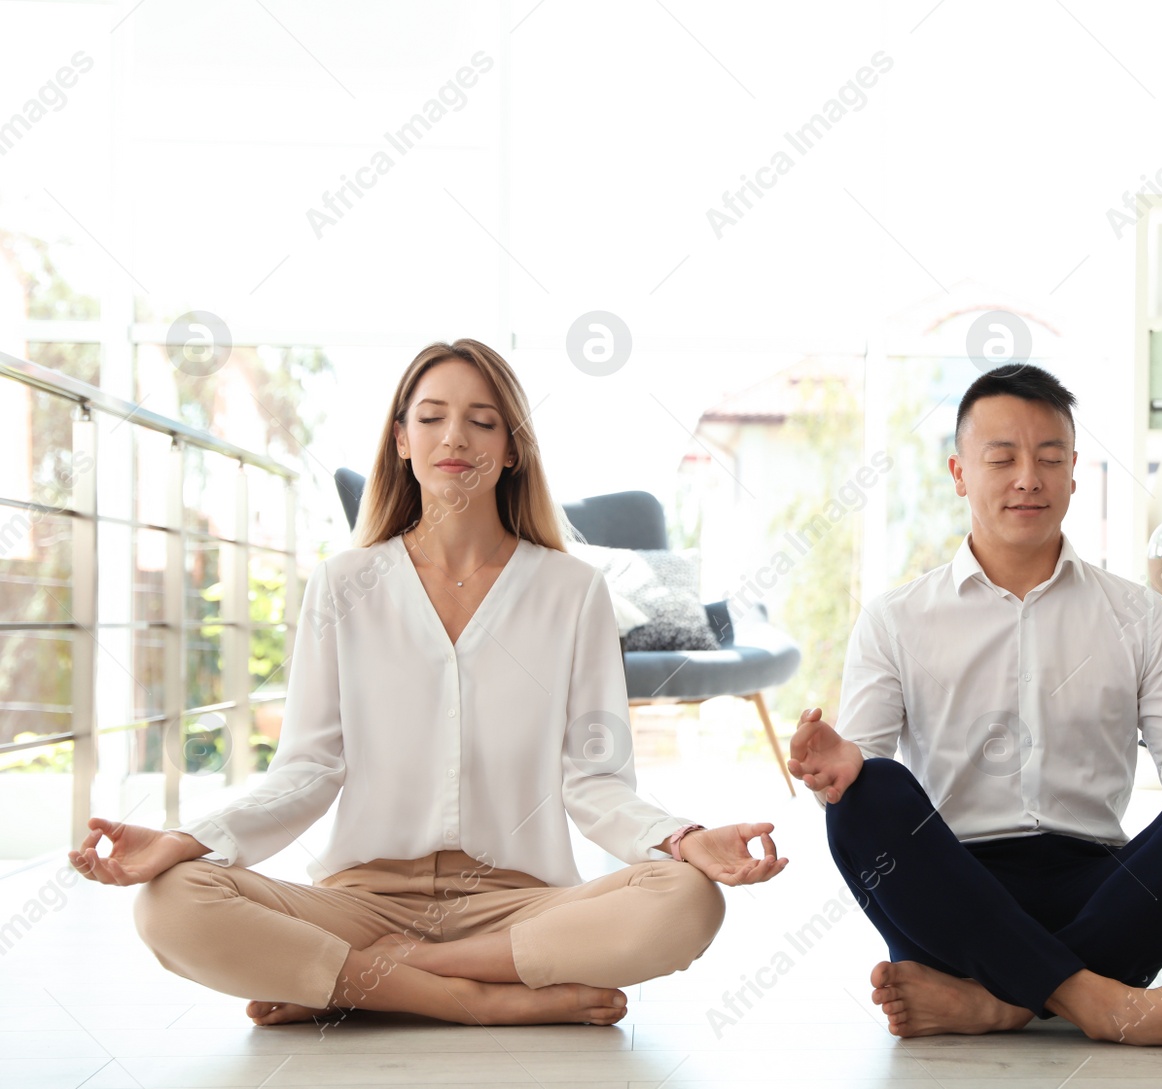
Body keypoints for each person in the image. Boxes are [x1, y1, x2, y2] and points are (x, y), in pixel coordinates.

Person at [67, 338, 787, 1028]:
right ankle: (476, 999)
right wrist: (189, 840)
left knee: (689, 902)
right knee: (170, 904)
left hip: (518, 905)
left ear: (511, 449)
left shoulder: (572, 591)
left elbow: (594, 780)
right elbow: (308, 770)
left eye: (482, 421)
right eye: (432, 417)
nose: (456, 438)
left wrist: (682, 838)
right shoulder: (344, 583)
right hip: (362, 897)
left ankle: (369, 982)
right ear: (401, 439)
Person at [788, 364, 1162, 1050]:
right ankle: (1103, 1003)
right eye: (1002, 458)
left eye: (1049, 458)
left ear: (1074, 473)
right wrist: (844, 764)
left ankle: (999, 1004)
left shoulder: (1138, 613)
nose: (1028, 478)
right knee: (867, 794)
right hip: (953, 893)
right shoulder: (894, 618)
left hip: (1104, 891)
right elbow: (859, 783)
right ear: (959, 473)